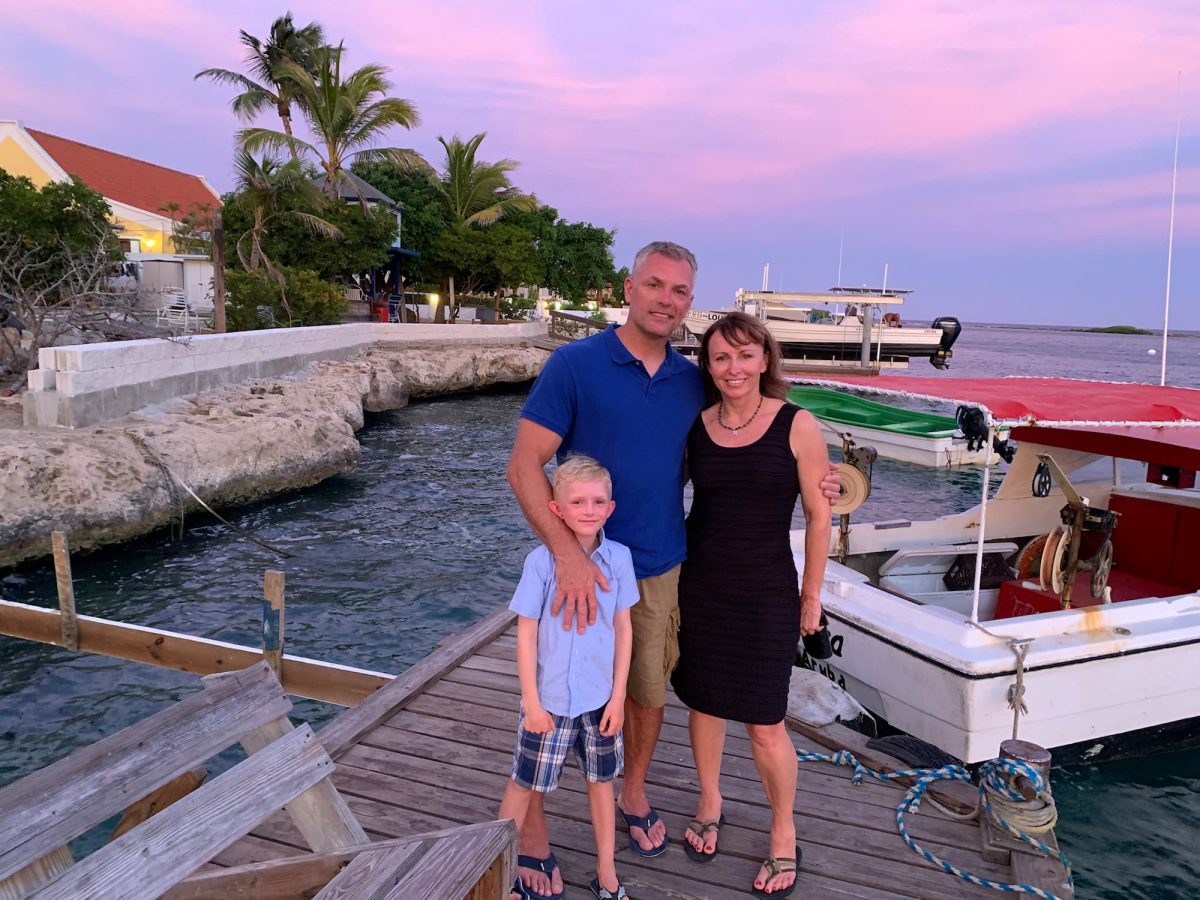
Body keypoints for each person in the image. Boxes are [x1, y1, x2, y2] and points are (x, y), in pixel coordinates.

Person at [506, 242, 840, 899]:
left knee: (649, 694)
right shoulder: (574, 364)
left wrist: (822, 485)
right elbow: (523, 467)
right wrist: (570, 558)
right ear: (628, 288)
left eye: (679, 291)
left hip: (662, 565)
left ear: (691, 302)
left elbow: (723, 459)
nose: (665, 299)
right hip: (585, 569)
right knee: (548, 700)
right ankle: (535, 834)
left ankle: (632, 791)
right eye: (654, 285)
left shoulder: (695, 380)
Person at [671, 311, 832, 898]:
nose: (733, 368)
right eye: (720, 358)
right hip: (702, 583)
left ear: (765, 359)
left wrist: (810, 595)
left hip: (766, 589)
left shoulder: (797, 424)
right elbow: (664, 490)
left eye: (744, 355)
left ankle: (783, 830)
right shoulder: (696, 425)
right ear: (707, 367)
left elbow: (820, 517)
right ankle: (710, 799)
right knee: (705, 703)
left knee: (766, 723)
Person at [499, 456, 637, 900]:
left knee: (601, 784)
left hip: (600, 701)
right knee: (523, 786)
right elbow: (525, 633)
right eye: (577, 501)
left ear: (610, 508)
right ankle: (497, 872)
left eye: (598, 501)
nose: (589, 509)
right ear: (556, 509)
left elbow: (623, 628)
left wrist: (618, 699)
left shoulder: (619, 559)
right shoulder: (540, 563)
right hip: (550, 702)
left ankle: (607, 873)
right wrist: (532, 703)